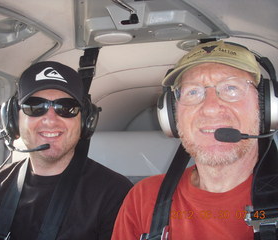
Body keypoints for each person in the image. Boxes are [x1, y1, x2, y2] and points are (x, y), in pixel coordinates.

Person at [111, 40, 271, 239]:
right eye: (193, 92)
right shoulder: (143, 198)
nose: (210, 107)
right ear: (173, 115)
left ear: (265, 106)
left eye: (231, 88)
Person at [0, 61, 133, 240]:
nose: (51, 120)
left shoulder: (115, 194)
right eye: (35, 106)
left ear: (85, 121)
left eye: (66, 108)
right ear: (12, 120)